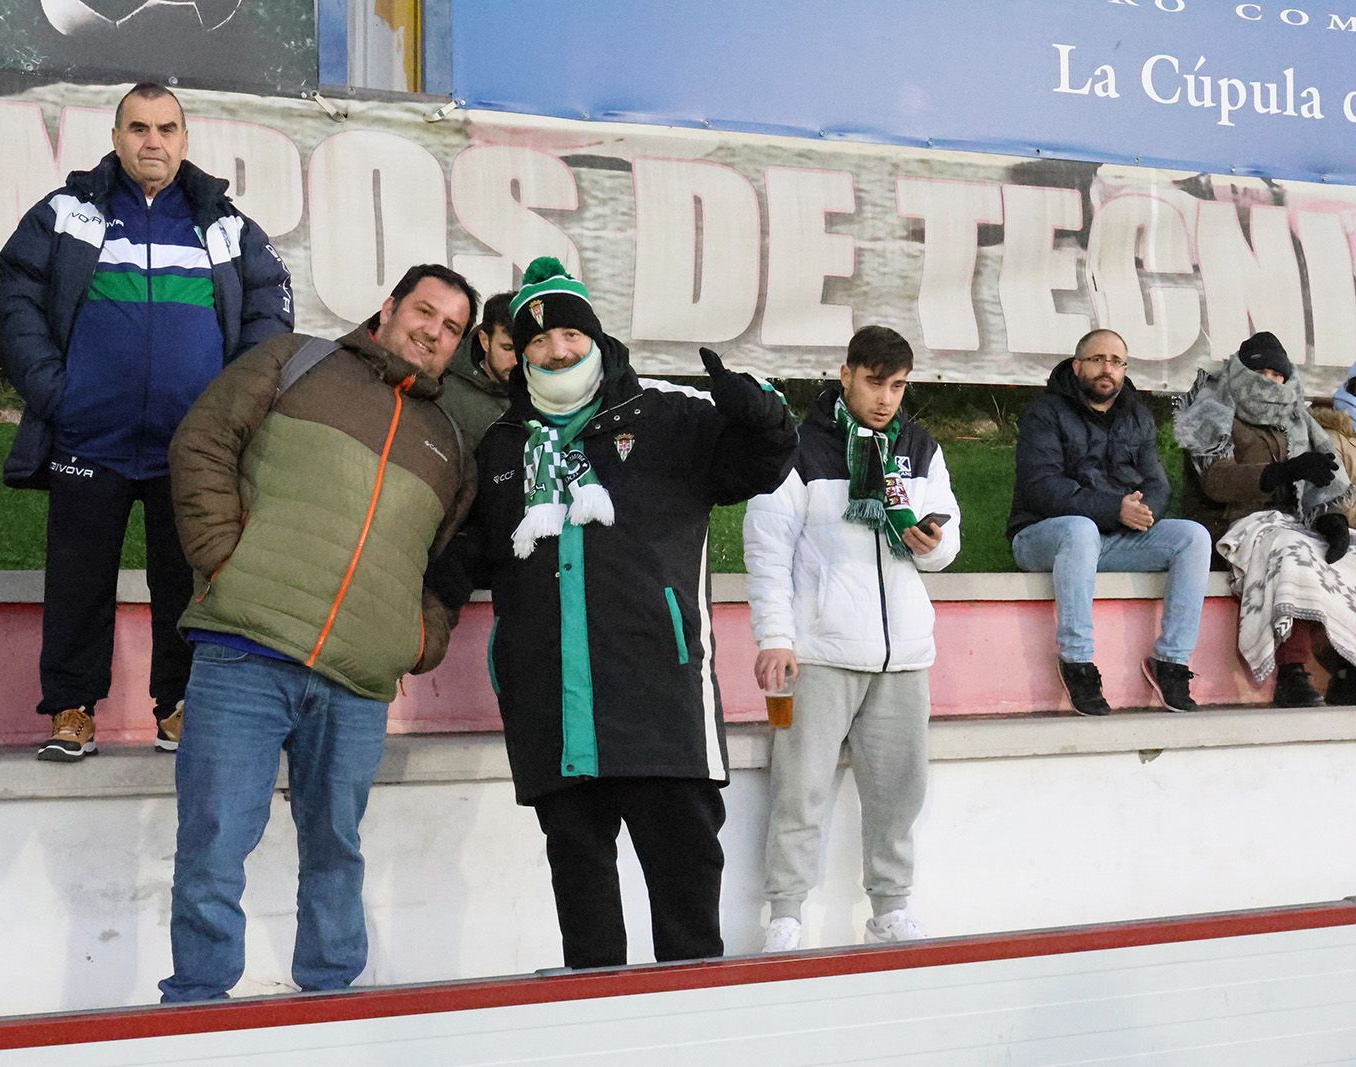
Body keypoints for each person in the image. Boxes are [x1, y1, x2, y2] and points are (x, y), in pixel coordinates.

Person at [432, 258, 798, 970]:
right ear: (518, 352)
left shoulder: (667, 418)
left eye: (570, 333)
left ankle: (693, 1038)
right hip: (552, 715)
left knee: (687, 910)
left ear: (595, 338)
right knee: (585, 912)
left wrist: (762, 417)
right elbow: (476, 551)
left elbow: (759, 465)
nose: (557, 350)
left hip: (659, 707)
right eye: (537, 341)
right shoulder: (504, 445)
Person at [158, 263, 477, 999]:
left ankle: (332, 1004)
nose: (433, 333)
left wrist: (413, 637)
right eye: (425, 312)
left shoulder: (449, 441)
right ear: (389, 306)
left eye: (452, 328)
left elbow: (445, 561)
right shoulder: (295, 360)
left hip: (357, 683)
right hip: (245, 650)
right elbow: (201, 443)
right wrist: (226, 560)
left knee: (337, 850)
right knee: (212, 841)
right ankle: (196, 1009)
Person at [0, 82, 294, 761]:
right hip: (86, 437)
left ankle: (178, 706)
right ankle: (71, 708)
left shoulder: (224, 225)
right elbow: (16, 302)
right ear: (116, 137)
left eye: (164, 129)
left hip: (190, 447)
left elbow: (269, 313)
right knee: (78, 579)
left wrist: (229, 410)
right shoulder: (67, 213)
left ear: (185, 141)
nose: (150, 140)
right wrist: (57, 393)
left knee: (185, 581)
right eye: (137, 128)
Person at [744, 325, 959, 952]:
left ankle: (890, 909)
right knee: (799, 789)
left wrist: (933, 542)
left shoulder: (919, 447)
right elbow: (767, 550)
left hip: (905, 655)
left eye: (898, 385)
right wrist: (775, 637)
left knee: (900, 794)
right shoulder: (799, 448)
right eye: (874, 382)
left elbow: (949, 541)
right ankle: (784, 915)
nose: (886, 398)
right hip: (819, 652)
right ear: (845, 375)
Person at [1008, 328, 1212, 716]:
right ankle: (1077, 662)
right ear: (1077, 364)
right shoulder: (1045, 412)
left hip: (1107, 539)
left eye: (1117, 362)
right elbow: (1042, 488)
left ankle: (1171, 661)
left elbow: (1157, 483)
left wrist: (1141, 509)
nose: (1108, 369)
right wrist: (1113, 509)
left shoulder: (1136, 416)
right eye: (1099, 359)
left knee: (1193, 537)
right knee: (1081, 529)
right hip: (1043, 536)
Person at [1175, 331, 1356, 707]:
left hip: (1288, 524)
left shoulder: (1296, 418)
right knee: (1292, 551)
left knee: (1347, 553)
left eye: (1279, 375)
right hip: (1228, 524)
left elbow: (1321, 483)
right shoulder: (1213, 408)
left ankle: (1347, 669)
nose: (1271, 382)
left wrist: (1331, 518)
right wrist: (1281, 471)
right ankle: (1291, 674)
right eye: (1262, 373)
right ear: (1242, 371)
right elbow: (1216, 480)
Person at [437, 290, 515, 445]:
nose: (516, 360)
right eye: (507, 348)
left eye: (524, 349)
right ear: (485, 341)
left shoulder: (544, 388)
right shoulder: (447, 397)